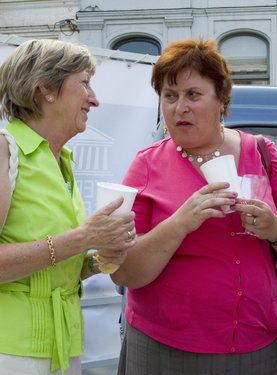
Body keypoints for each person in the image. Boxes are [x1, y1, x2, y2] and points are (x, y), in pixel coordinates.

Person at [110, 38, 277, 375]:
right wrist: (181, 222)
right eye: (169, 96)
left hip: (255, 348)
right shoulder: (147, 164)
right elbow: (126, 273)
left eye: (193, 94)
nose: (180, 107)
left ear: (222, 99)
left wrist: (274, 229)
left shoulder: (261, 152)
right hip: (164, 348)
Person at [0, 39, 137, 375]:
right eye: (85, 82)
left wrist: (97, 260)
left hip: (64, 347)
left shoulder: (60, 160)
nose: (95, 99)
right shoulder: (6, 150)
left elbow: (56, 267)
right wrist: (82, 237)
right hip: (11, 350)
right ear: (45, 88)